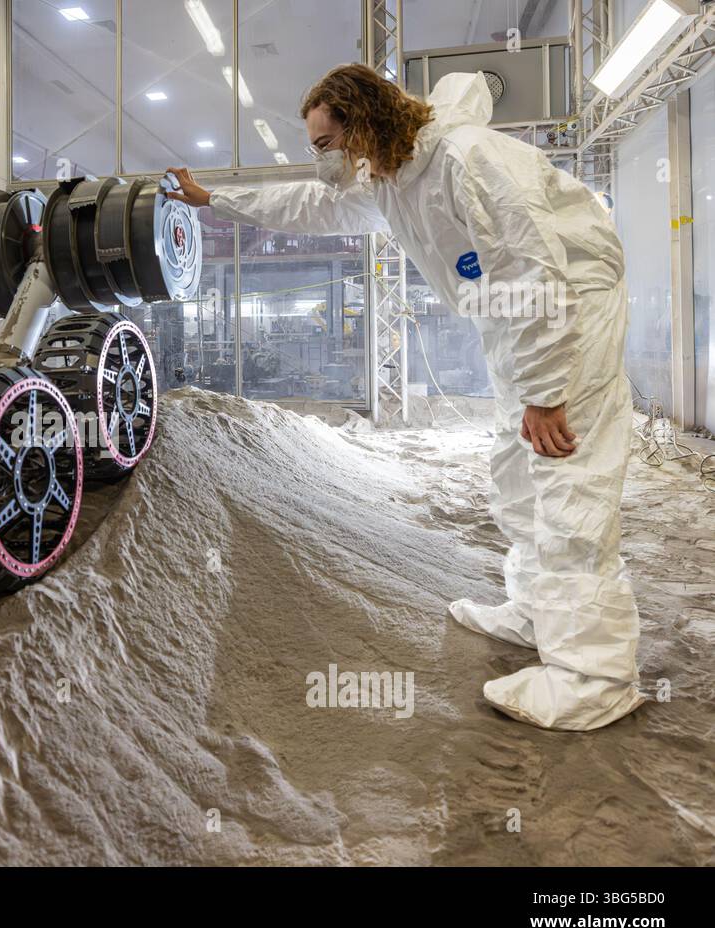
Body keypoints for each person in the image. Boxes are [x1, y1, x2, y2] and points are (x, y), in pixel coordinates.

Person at [167, 64, 642, 731]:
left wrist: (545, 390)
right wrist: (213, 199)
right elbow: (310, 207)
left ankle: (594, 677)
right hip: (514, 322)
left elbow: (532, 266)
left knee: (569, 482)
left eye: (325, 142)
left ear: (364, 123)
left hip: (569, 312)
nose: (322, 158)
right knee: (515, 474)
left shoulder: (467, 160)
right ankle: (538, 609)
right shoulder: (393, 179)